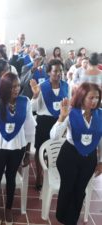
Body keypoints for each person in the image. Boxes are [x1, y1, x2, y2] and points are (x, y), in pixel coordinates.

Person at [0, 72, 36, 225]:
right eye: (12, 87)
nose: (16, 89)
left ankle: (9, 208)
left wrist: (27, 152)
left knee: (11, 177)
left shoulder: (25, 102)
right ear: (5, 88)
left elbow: (29, 129)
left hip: (17, 147)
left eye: (18, 85)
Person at [50, 83, 102, 225]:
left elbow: (101, 140)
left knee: (80, 190)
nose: (95, 101)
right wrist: (61, 117)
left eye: (97, 98)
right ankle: (62, 217)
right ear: (82, 97)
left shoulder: (100, 114)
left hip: (89, 157)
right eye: (91, 97)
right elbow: (54, 137)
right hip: (69, 156)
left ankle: (72, 219)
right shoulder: (71, 112)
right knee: (68, 188)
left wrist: (101, 161)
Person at [30, 59, 68, 190]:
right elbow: (33, 108)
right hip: (44, 122)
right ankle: (39, 176)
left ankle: (55, 173)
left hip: (59, 122)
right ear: (48, 72)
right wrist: (35, 95)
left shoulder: (66, 86)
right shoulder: (42, 87)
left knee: (57, 149)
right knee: (40, 149)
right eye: (55, 71)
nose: (58, 73)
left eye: (60, 71)